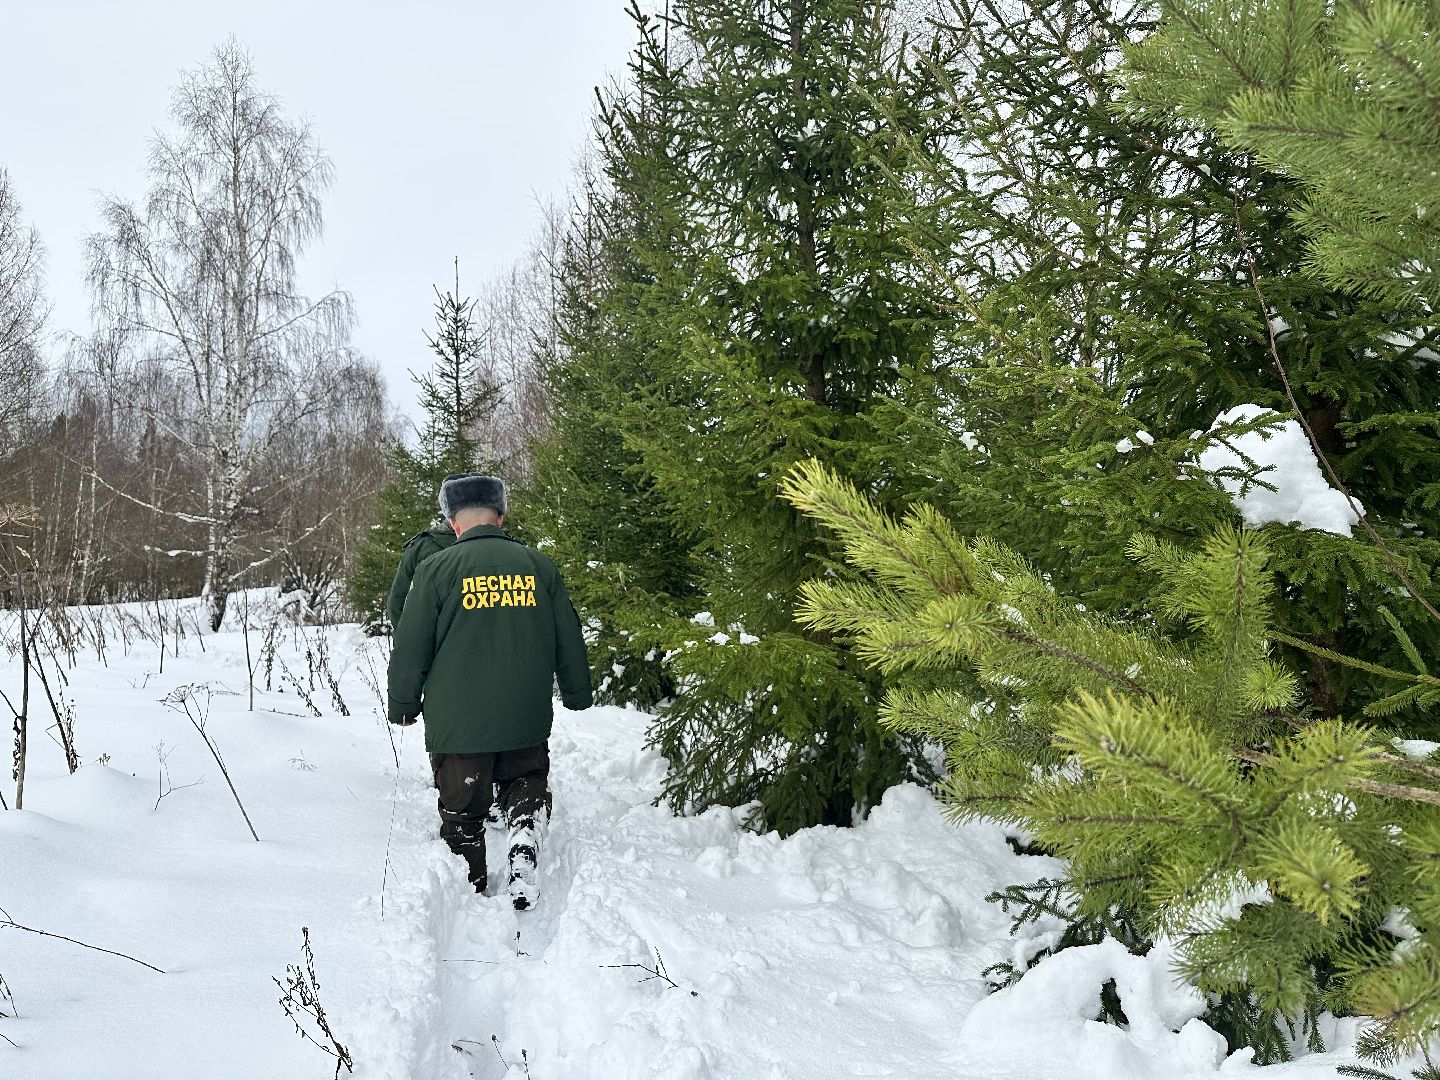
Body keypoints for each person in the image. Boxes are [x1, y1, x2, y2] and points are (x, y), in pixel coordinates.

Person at [387, 473, 593, 909]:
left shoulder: (435, 569)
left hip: (458, 726)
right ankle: (523, 834)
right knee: (526, 783)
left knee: (463, 812)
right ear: (501, 515)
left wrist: (404, 703)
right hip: (524, 716)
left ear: (453, 522)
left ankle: (470, 891)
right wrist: (576, 691)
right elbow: (567, 635)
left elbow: (411, 643)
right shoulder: (538, 565)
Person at [385, 518, 456, 629]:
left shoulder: (421, 546)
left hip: (428, 636)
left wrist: (408, 639)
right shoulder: (489, 547)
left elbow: (396, 604)